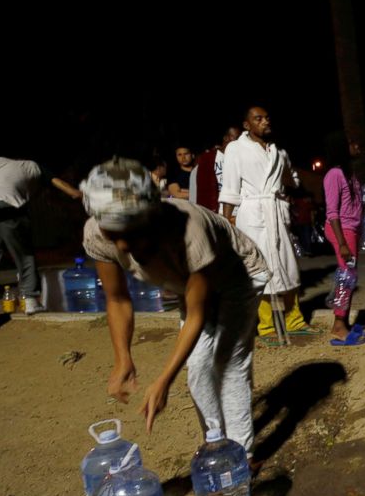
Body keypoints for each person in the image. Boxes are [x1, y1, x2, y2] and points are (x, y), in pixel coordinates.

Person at [82, 157, 268, 456]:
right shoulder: (96, 231)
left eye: (130, 233)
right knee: (197, 367)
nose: (122, 246)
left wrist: (163, 381)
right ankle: (216, 447)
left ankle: (240, 459)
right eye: (112, 234)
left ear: (150, 216)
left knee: (227, 362)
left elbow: (197, 314)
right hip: (188, 282)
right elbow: (117, 299)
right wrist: (123, 358)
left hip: (239, 274)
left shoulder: (189, 231)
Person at [220, 106, 321, 345]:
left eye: (266, 117)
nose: (265, 121)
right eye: (258, 118)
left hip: (276, 212)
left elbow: (291, 180)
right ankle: (265, 326)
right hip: (252, 214)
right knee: (259, 269)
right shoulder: (235, 149)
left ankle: (295, 320)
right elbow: (230, 188)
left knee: (288, 265)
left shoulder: (278, 150)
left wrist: (286, 187)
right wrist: (227, 222)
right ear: (247, 125)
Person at [0, 156, 81, 325]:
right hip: (7, 206)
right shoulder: (35, 166)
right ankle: (30, 301)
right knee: (24, 255)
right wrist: (80, 194)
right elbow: (67, 189)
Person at [323, 131, 365, 344]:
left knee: (350, 277)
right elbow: (332, 213)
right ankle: (338, 326)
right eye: (351, 142)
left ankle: (345, 322)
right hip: (343, 231)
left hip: (351, 230)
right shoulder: (334, 174)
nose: (356, 145)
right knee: (346, 278)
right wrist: (341, 243)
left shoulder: (349, 175)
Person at [194, 126, 241, 213]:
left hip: (240, 211)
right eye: (236, 137)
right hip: (217, 211)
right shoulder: (208, 158)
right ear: (226, 138)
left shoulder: (241, 158)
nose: (239, 142)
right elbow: (202, 190)